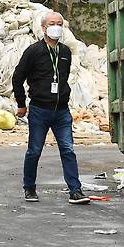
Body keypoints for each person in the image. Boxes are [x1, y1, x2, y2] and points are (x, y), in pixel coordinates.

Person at [12, 11, 90, 205]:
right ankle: (29, 187)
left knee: (68, 149)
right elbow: (18, 77)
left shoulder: (65, 52)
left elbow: (63, 77)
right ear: (44, 27)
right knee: (34, 150)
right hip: (39, 109)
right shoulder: (33, 51)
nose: (56, 26)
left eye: (60, 23)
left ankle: (75, 190)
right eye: (52, 23)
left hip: (61, 110)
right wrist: (21, 104)